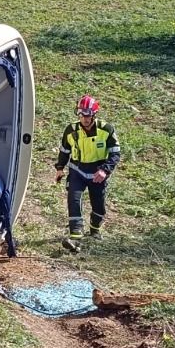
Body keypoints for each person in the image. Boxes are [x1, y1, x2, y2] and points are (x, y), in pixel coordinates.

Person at [54, 95, 120, 252]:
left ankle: (95, 229)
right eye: (81, 114)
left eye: (88, 114)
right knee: (73, 199)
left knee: (99, 206)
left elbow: (115, 154)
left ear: (94, 114)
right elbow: (65, 150)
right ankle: (75, 236)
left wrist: (105, 170)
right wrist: (59, 168)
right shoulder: (71, 130)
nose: (84, 118)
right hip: (77, 171)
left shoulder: (106, 130)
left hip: (98, 173)